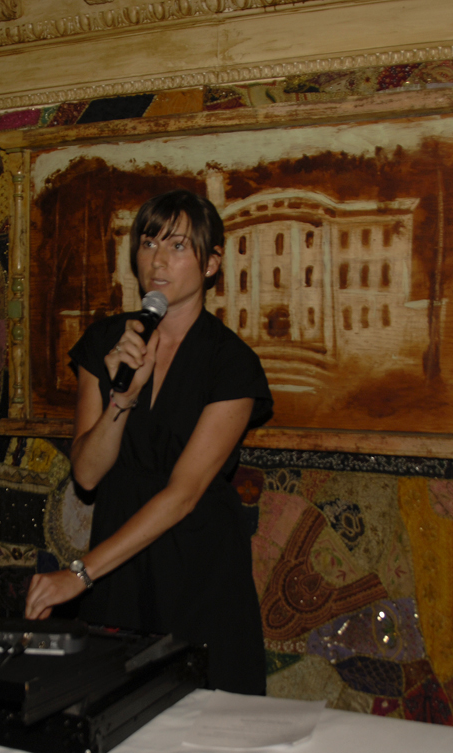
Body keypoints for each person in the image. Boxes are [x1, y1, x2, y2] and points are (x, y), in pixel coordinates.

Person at [23, 189, 272, 694]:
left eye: (177, 246)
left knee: (208, 722)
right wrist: (123, 398)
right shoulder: (107, 343)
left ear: (211, 264)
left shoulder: (232, 363)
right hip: (119, 567)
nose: (157, 260)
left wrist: (79, 574)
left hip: (199, 570)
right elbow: (87, 473)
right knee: (115, 709)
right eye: (148, 242)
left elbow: (183, 494)